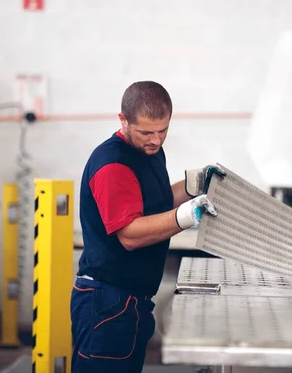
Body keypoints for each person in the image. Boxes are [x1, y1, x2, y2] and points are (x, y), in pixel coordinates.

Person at [70, 81, 225, 372]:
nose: (155, 140)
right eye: (145, 132)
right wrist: (187, 216)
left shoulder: (148, 152)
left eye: (162, 130)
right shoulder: (112, 165)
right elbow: (129, 234)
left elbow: (155, 202)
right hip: (107, 302)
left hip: (131, 301)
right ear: (123, 120)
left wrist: (197, 184)